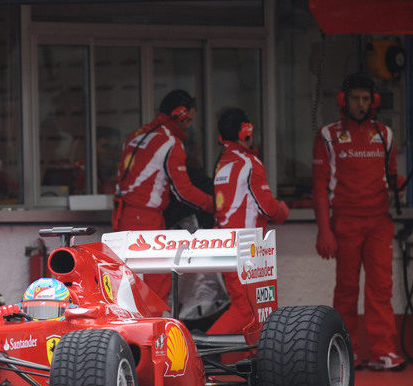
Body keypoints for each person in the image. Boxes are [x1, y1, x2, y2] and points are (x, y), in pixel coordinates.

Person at [313, 73, 406, 371]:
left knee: (381, 288)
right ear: (344, 99)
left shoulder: (385, 135)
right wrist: (324, 230)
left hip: (379, 222)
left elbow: (390, 178)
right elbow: (318, 186)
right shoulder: (327, 135)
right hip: (345, 222)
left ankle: (383, 351)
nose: (361, 104)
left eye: (366, 99)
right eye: (355, 98)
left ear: (374, 101)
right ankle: (345, 351)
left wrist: (399, 183)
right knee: (347, 289)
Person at [113, 89, 214, 302]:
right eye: (188, 120)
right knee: (156, 283)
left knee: (126, 283)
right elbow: (183, 192)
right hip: (146, 219)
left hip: (122, 216)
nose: (189, 126)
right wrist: (213, 205)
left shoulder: (135, 135)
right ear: (179, 115)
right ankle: (154, 333)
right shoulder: (171, 143)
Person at [208, 108, 289, 335]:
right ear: (246, 131)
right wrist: (284, 209)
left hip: (228, 247)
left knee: (255, 312)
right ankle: (196, 355)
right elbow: (269, 208)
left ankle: (254, 363)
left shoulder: (222, 163)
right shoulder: (249, 162)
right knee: (247, 312)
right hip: (246, 251)